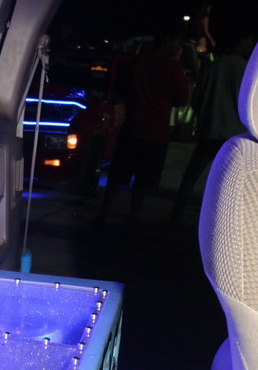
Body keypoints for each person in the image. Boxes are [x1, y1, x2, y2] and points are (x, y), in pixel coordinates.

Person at [97, 22, 189, 222]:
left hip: (132, 127)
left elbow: (123, 89)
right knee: (144, 178)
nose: (179, 47)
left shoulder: (139, 61)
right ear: (169, 41)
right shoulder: (173, 67)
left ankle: (104, 212)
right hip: (156, 131)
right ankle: (134, 215)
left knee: (118, 173)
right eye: (178, 42)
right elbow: (182, 99)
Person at [170, 26, 256, 224]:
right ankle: (224, 224)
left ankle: (176, 216)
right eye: (250, 41)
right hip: (234, 137)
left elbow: (196, 101)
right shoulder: (244, 70)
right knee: (231, 184)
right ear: (242, 41)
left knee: (191, 177)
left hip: (209, 131)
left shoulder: (212, 67)